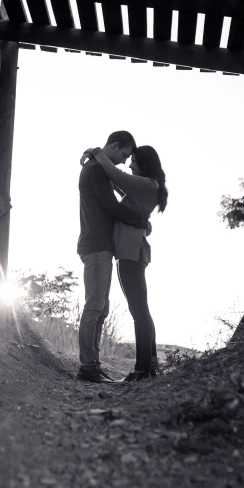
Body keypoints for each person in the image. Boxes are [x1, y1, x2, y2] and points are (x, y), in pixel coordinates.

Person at [89, 144, 168, 382]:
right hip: (132, 252)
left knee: (139, 311)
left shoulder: (147, 184)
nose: (130, 164)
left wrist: (97, 153)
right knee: (141, 310)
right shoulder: (146, 186)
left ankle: (142, 370)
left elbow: (117, 175)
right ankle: (149, 367)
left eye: (133, 160)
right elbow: (116, 183)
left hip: (131, 254)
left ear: (144, 164)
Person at [77, 131, 149, 384]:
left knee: (101, 308)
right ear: (115, 145)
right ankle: (87, 367)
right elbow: (112, 206)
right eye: (124, 155)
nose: (123, 161)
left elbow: (118, 192)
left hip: (100, 245)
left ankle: (93, 365)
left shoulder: (98, 168)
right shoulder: (96, 171)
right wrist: (141, 221)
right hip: (96, 245)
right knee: (95, 305)